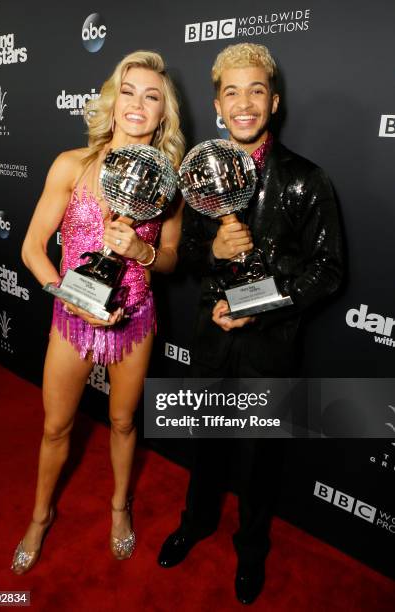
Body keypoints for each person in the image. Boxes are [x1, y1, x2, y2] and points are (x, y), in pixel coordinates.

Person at [158, 43, 343, 605]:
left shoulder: (307, 180)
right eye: (232, 92)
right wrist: (212, 248)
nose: (244, 104)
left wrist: (263, 305)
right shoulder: (200, 176)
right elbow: (186, 254)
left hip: (271, 348)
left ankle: (253, 548)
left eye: (256, 90)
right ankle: (196, 521)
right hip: (212, 344)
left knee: (262, 458)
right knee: (207, 444)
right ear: (217, 104)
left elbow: (330, 271)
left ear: (274, 100)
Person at [11, 50, 185, 573]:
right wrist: (70, 298)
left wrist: (141, 253)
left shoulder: (170, 181)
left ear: (161, 114)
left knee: (124, 422)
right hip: (72, 320)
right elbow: (32, 249)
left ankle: (119, 509)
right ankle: (40, 518)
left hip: (134, 318)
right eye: (129, 91)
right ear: (113, 102)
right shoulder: (73, 165)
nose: (138, 103)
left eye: (151, 96)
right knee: (56, 428)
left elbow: (171, 258)